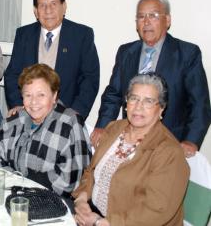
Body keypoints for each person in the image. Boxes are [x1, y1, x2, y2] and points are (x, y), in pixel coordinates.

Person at [91, 0, 211, 157]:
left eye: (153, 16)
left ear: (167, 20)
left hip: (170, 143)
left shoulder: (187, 53)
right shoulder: (126, 52)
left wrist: (191, 140)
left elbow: (199, 103)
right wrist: (102, 126)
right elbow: (113, 94)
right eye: (141, 16)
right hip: (129, 140)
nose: (146, 22)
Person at [73, 73, 189, 225]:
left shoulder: (169, 152)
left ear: (161, 108)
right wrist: (81, 200)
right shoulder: (114, 128)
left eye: (148, 101)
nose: (138, 107)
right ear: (126, 103)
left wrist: (102, 223)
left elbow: (156, 211)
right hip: (94, 215)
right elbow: (91, 171)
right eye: (134, 98)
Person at [0, 64, 91, 197]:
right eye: (28, 95)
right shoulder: (14, 121)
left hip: (56, 203)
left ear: (54, 96)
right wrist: (15, 183)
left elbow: (70, 181)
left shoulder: (70, 123)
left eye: (41, 95)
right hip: (14, 196)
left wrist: (24, 184)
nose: (34, 102)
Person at [4, 0, 99, 121]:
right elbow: (13, 73)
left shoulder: (81, 35)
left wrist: (75, 113)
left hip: (66, 115)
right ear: (36, 11)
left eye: (53, 4)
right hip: (29, 113)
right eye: (42, 5)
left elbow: (90, 79)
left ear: (64, 7)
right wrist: (18, 105)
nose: (48, 10)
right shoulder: (24, 34)